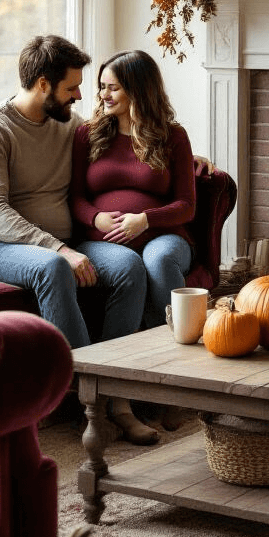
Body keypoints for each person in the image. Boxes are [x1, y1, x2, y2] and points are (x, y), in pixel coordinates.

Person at [0, 35, 148, 367]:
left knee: (128, 266)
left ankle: (117, 385)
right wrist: (59, 250)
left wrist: (187, 161)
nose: (79, 95)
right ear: (44, 84)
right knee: (53, 268)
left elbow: (126, 146)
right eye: (71, 88)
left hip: (67, 241)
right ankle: (88, 391)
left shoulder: (69, 124)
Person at [69, 50, 197, 441]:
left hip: (165, 236)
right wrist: (95, 218)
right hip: (101, 242)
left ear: (139, 91)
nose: (104, 95)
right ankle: (119, 402)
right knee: (128, 266)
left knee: (157, 263)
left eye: (113, 88)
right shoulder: (88, 134)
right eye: (102, 87)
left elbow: (187, 206)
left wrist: (146, 220)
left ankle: (174, 385)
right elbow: (74, 197)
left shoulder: (173, 137)